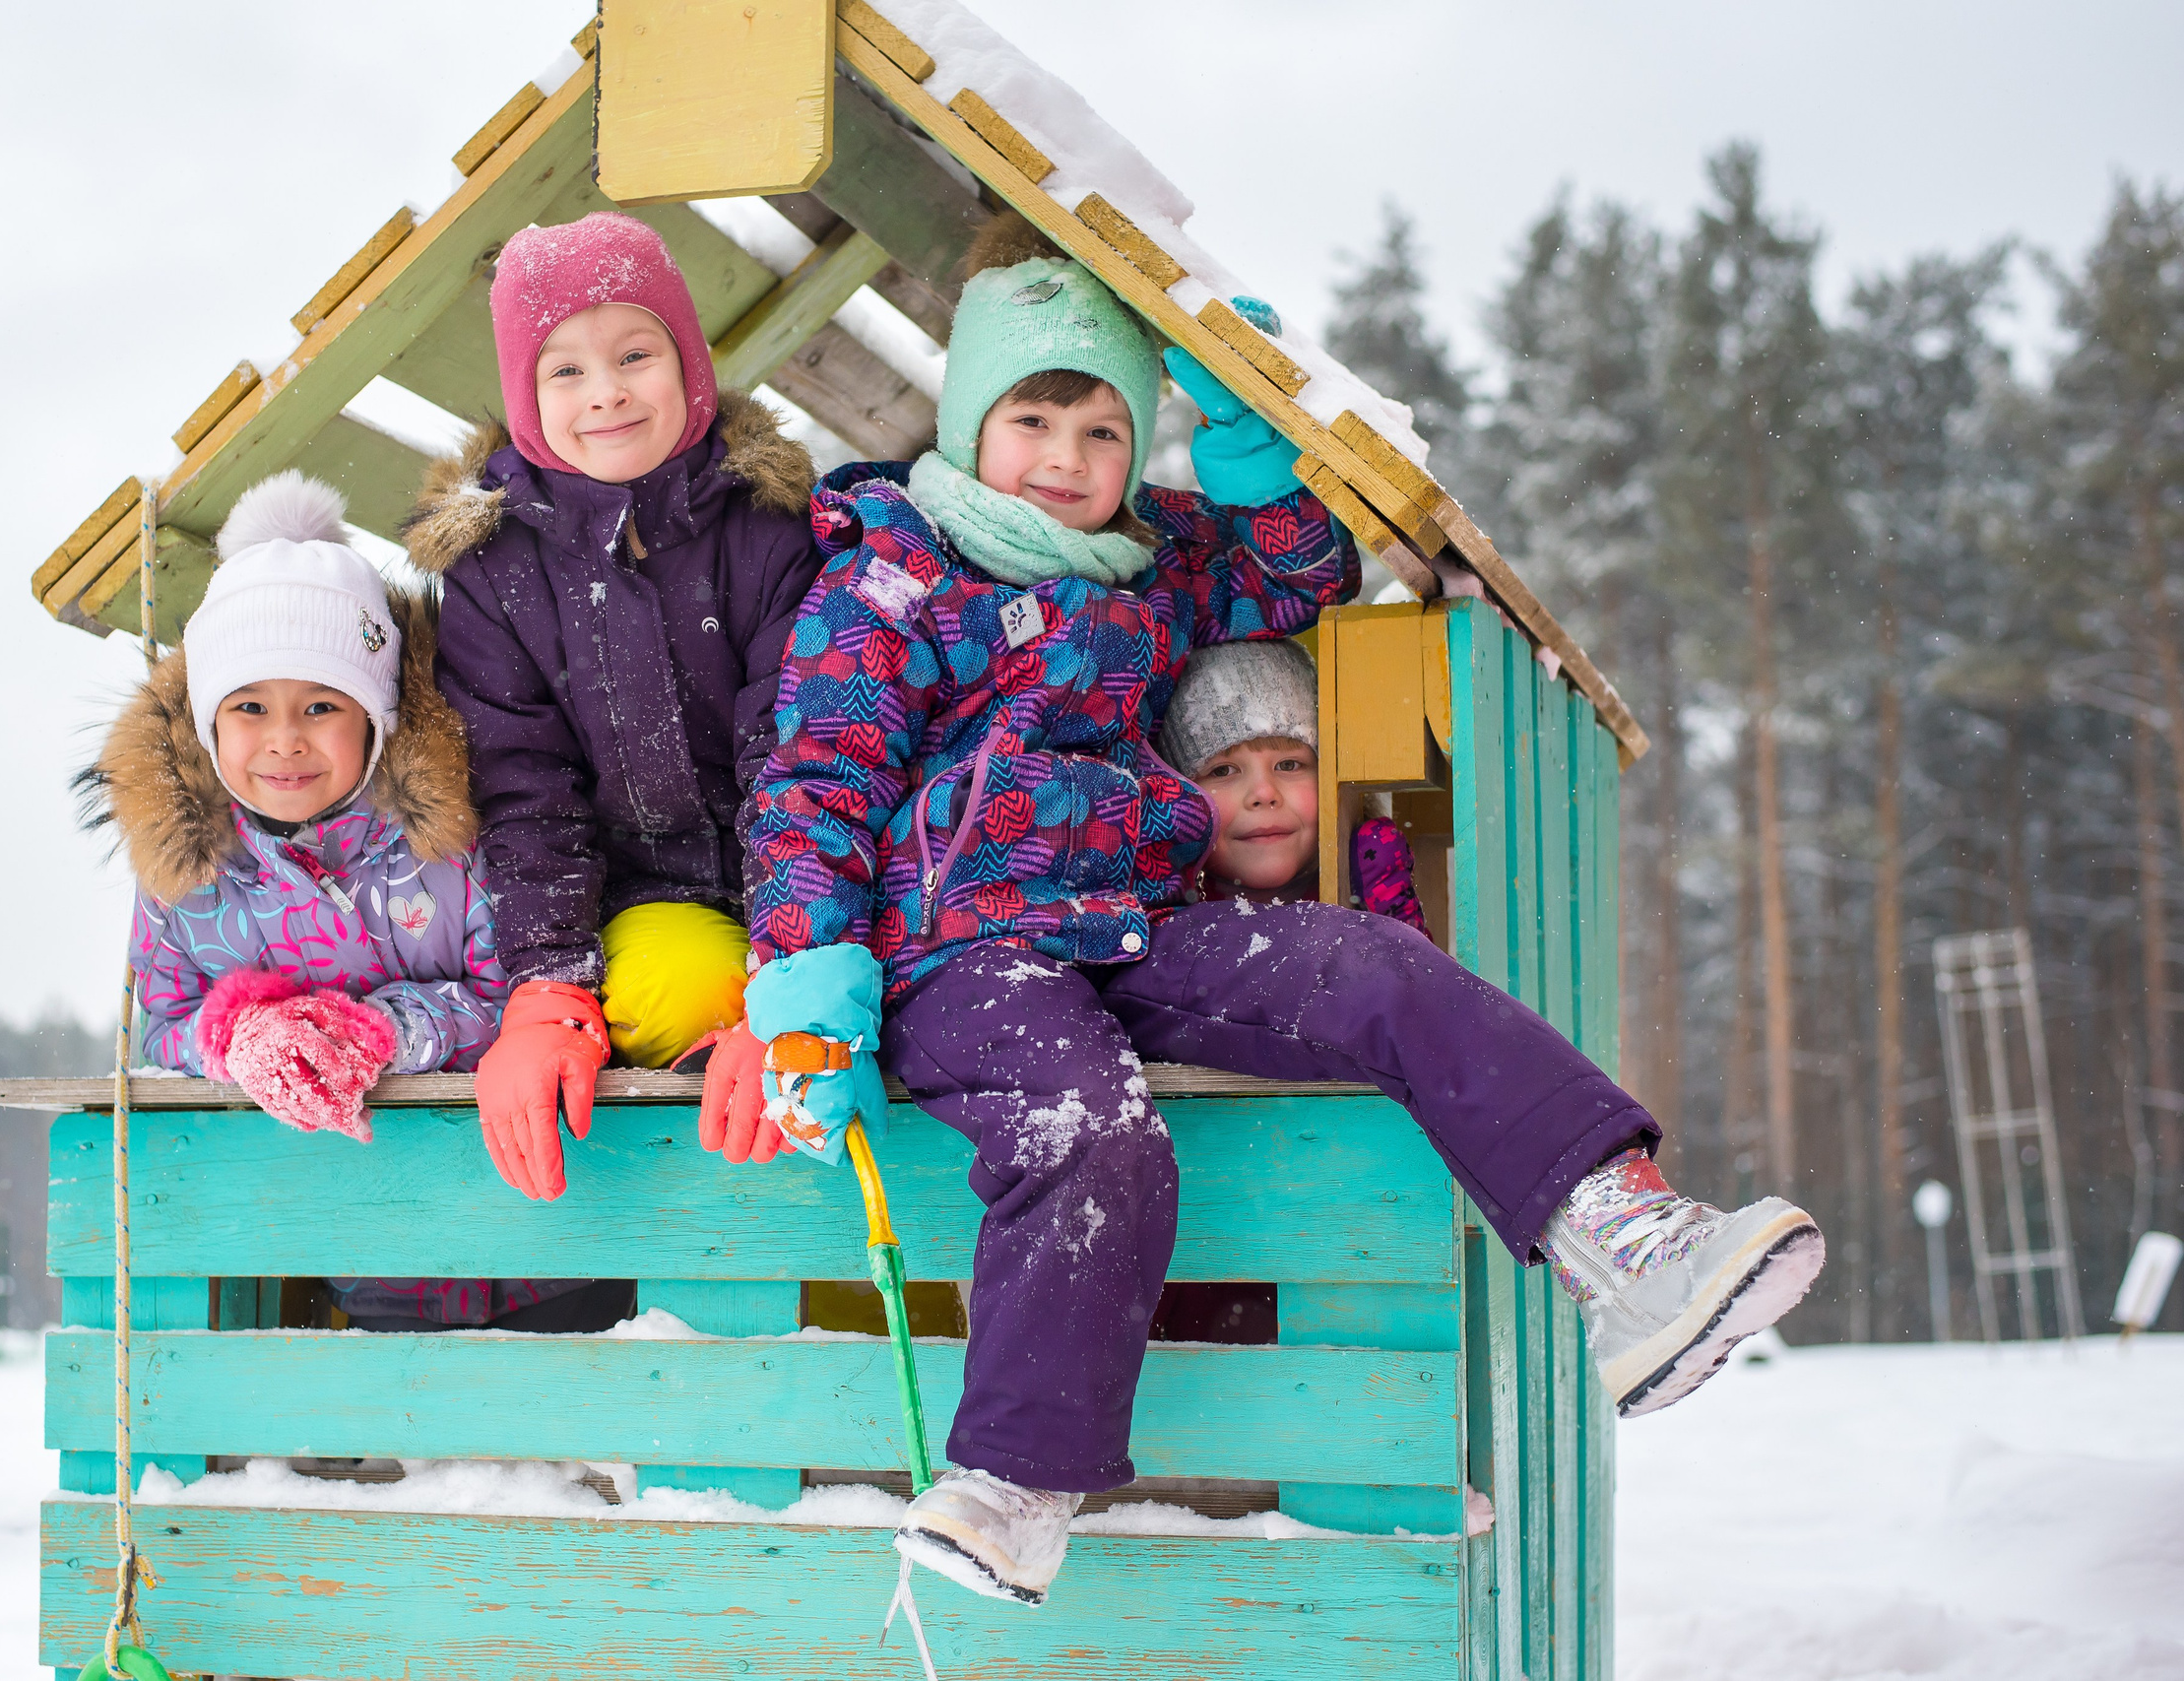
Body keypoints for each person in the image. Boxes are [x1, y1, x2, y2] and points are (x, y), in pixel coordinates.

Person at [700, 214, 1825, 1606]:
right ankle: (1013, 1483)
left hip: (1133, 925)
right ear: (971, 419)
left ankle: (1627, 1234)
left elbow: (1299, 570)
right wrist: (807, 975)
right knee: (1090, 1124)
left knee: (1373, 963)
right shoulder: (892, 572)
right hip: (958, 953)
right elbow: (817, 775)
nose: (1065, 459)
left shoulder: (1155, 563)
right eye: (1032, 417)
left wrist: (1241, 424)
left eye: (1104, 428)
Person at [85, 470, 610, 1332]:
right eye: (250, 706)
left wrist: (384, 1028)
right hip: (361, 1250)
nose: (284, 739)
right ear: (212, 722)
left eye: (321, 705)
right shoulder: (190, 871)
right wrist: (240, 1034)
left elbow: (511, 992)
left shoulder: (447, 836)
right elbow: (164, 1021)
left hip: (537, 1239)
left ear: (375, 714)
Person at [402, 211, 822, 1206]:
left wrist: (792, 965)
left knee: (825, 1021)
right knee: (676, 992)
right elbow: (521, 783)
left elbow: (799, 751)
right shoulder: (495, 572)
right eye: (566, 372)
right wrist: (547, 984)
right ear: (524, 397)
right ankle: (697, 1260)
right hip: (648, 900)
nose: (607, 393)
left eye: (635, 353)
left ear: (689, 368)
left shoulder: (768, 532)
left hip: (807, 888)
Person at [1159, 635, 1428, 930]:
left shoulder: (1366, 898)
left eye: (1288, 765)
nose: (1263, 793)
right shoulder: (1159, 920)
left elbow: (1428, 978)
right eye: (1223, 771)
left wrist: (1396, 927)